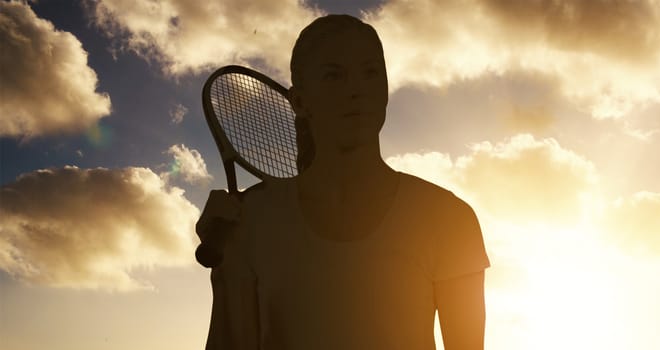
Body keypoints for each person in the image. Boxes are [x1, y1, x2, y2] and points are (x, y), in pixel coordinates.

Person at [196, 14, 490, 350]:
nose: (356, 90)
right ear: (300, 102)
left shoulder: (450, 219)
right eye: (334, 76)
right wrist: (222, 269)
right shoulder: (248, 221)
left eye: (370, 73)